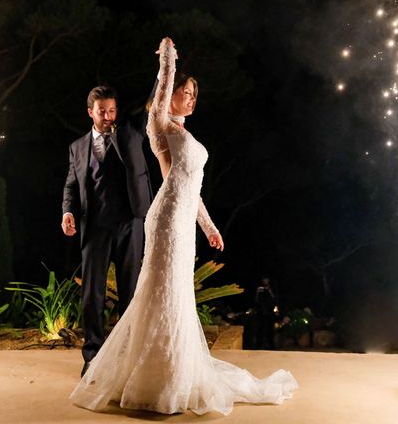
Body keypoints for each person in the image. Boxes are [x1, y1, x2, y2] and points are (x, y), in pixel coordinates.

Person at [70, 38, 297, 415]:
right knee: (159, 295)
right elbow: (161, 93)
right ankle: (149, 378)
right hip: (165, 221)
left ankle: (173, 371)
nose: (192, 98)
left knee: (176, 299)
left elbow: (194, 189)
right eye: (185, 92)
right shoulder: (158, 125)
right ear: (168, 96)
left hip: (183, 223)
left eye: (194, 94)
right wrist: (169, 62)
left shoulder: (187, 135)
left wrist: (209, 227)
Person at [61, 85, 152, 377]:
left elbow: (152, 100)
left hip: (130, 223)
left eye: (112, 110)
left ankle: (127, 354)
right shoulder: (77, 147)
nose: (109, 116)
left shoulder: (132, 133)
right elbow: (71, 186)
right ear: (91, 112)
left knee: (130, 292)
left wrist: (166, 62)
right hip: (95, 227)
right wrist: (67, 212)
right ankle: (93, 356)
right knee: (92, 295)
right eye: (102, 111)